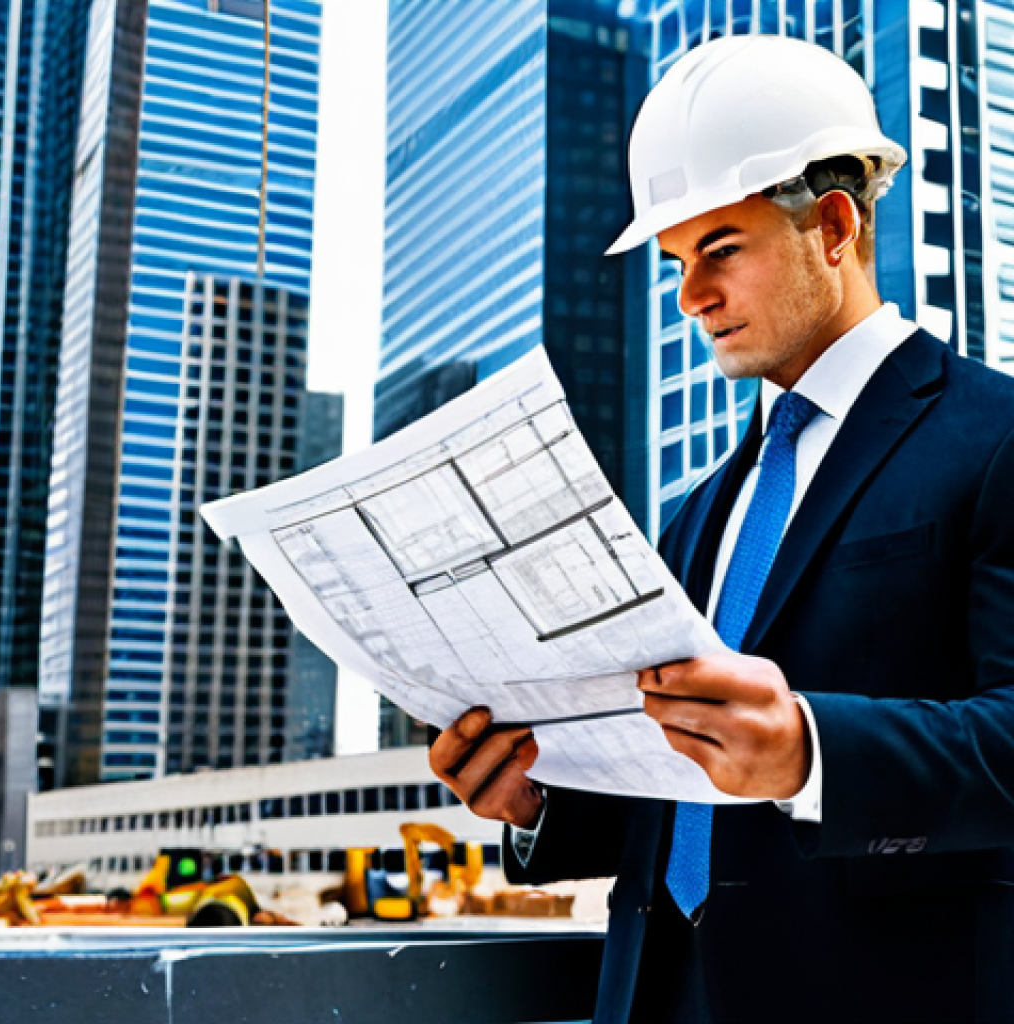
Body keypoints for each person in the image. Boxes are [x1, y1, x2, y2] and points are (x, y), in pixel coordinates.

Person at [430, 34, 1014, 1024]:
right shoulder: (700, 510)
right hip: (659, 991)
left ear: (832, 225)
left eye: (720, 249)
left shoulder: (994, 437)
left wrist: (812, 748)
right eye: (675, 262)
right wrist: (534, 801)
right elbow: (675, 783)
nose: (692, 295)